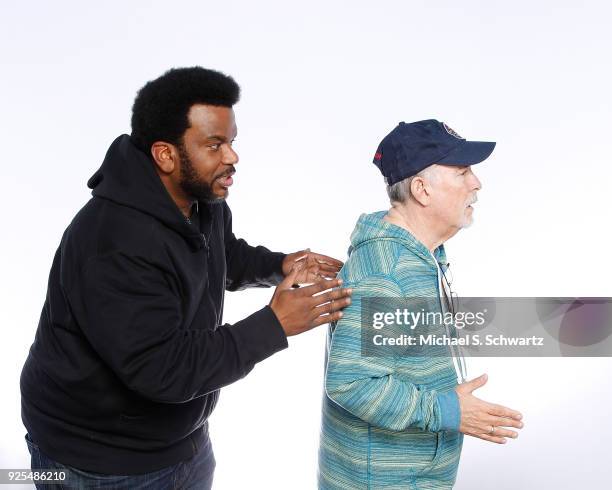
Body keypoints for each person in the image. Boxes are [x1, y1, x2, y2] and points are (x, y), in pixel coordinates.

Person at [20, 66, 352, 489]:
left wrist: (279, 264)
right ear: (165, 154)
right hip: (97, 461)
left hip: (181, 438)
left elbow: (219, 253)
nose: (232, 157)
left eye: (232, 142)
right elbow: (163, 368)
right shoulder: (113, 243)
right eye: (215, 145)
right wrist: (275, 324)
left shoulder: (201, 199)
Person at [318, 120, 524, 489]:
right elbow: (351, 383)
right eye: (462, 172)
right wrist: (447, 410)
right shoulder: (388, 270)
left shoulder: (420, 257)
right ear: (421, 189)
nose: (476, 183)